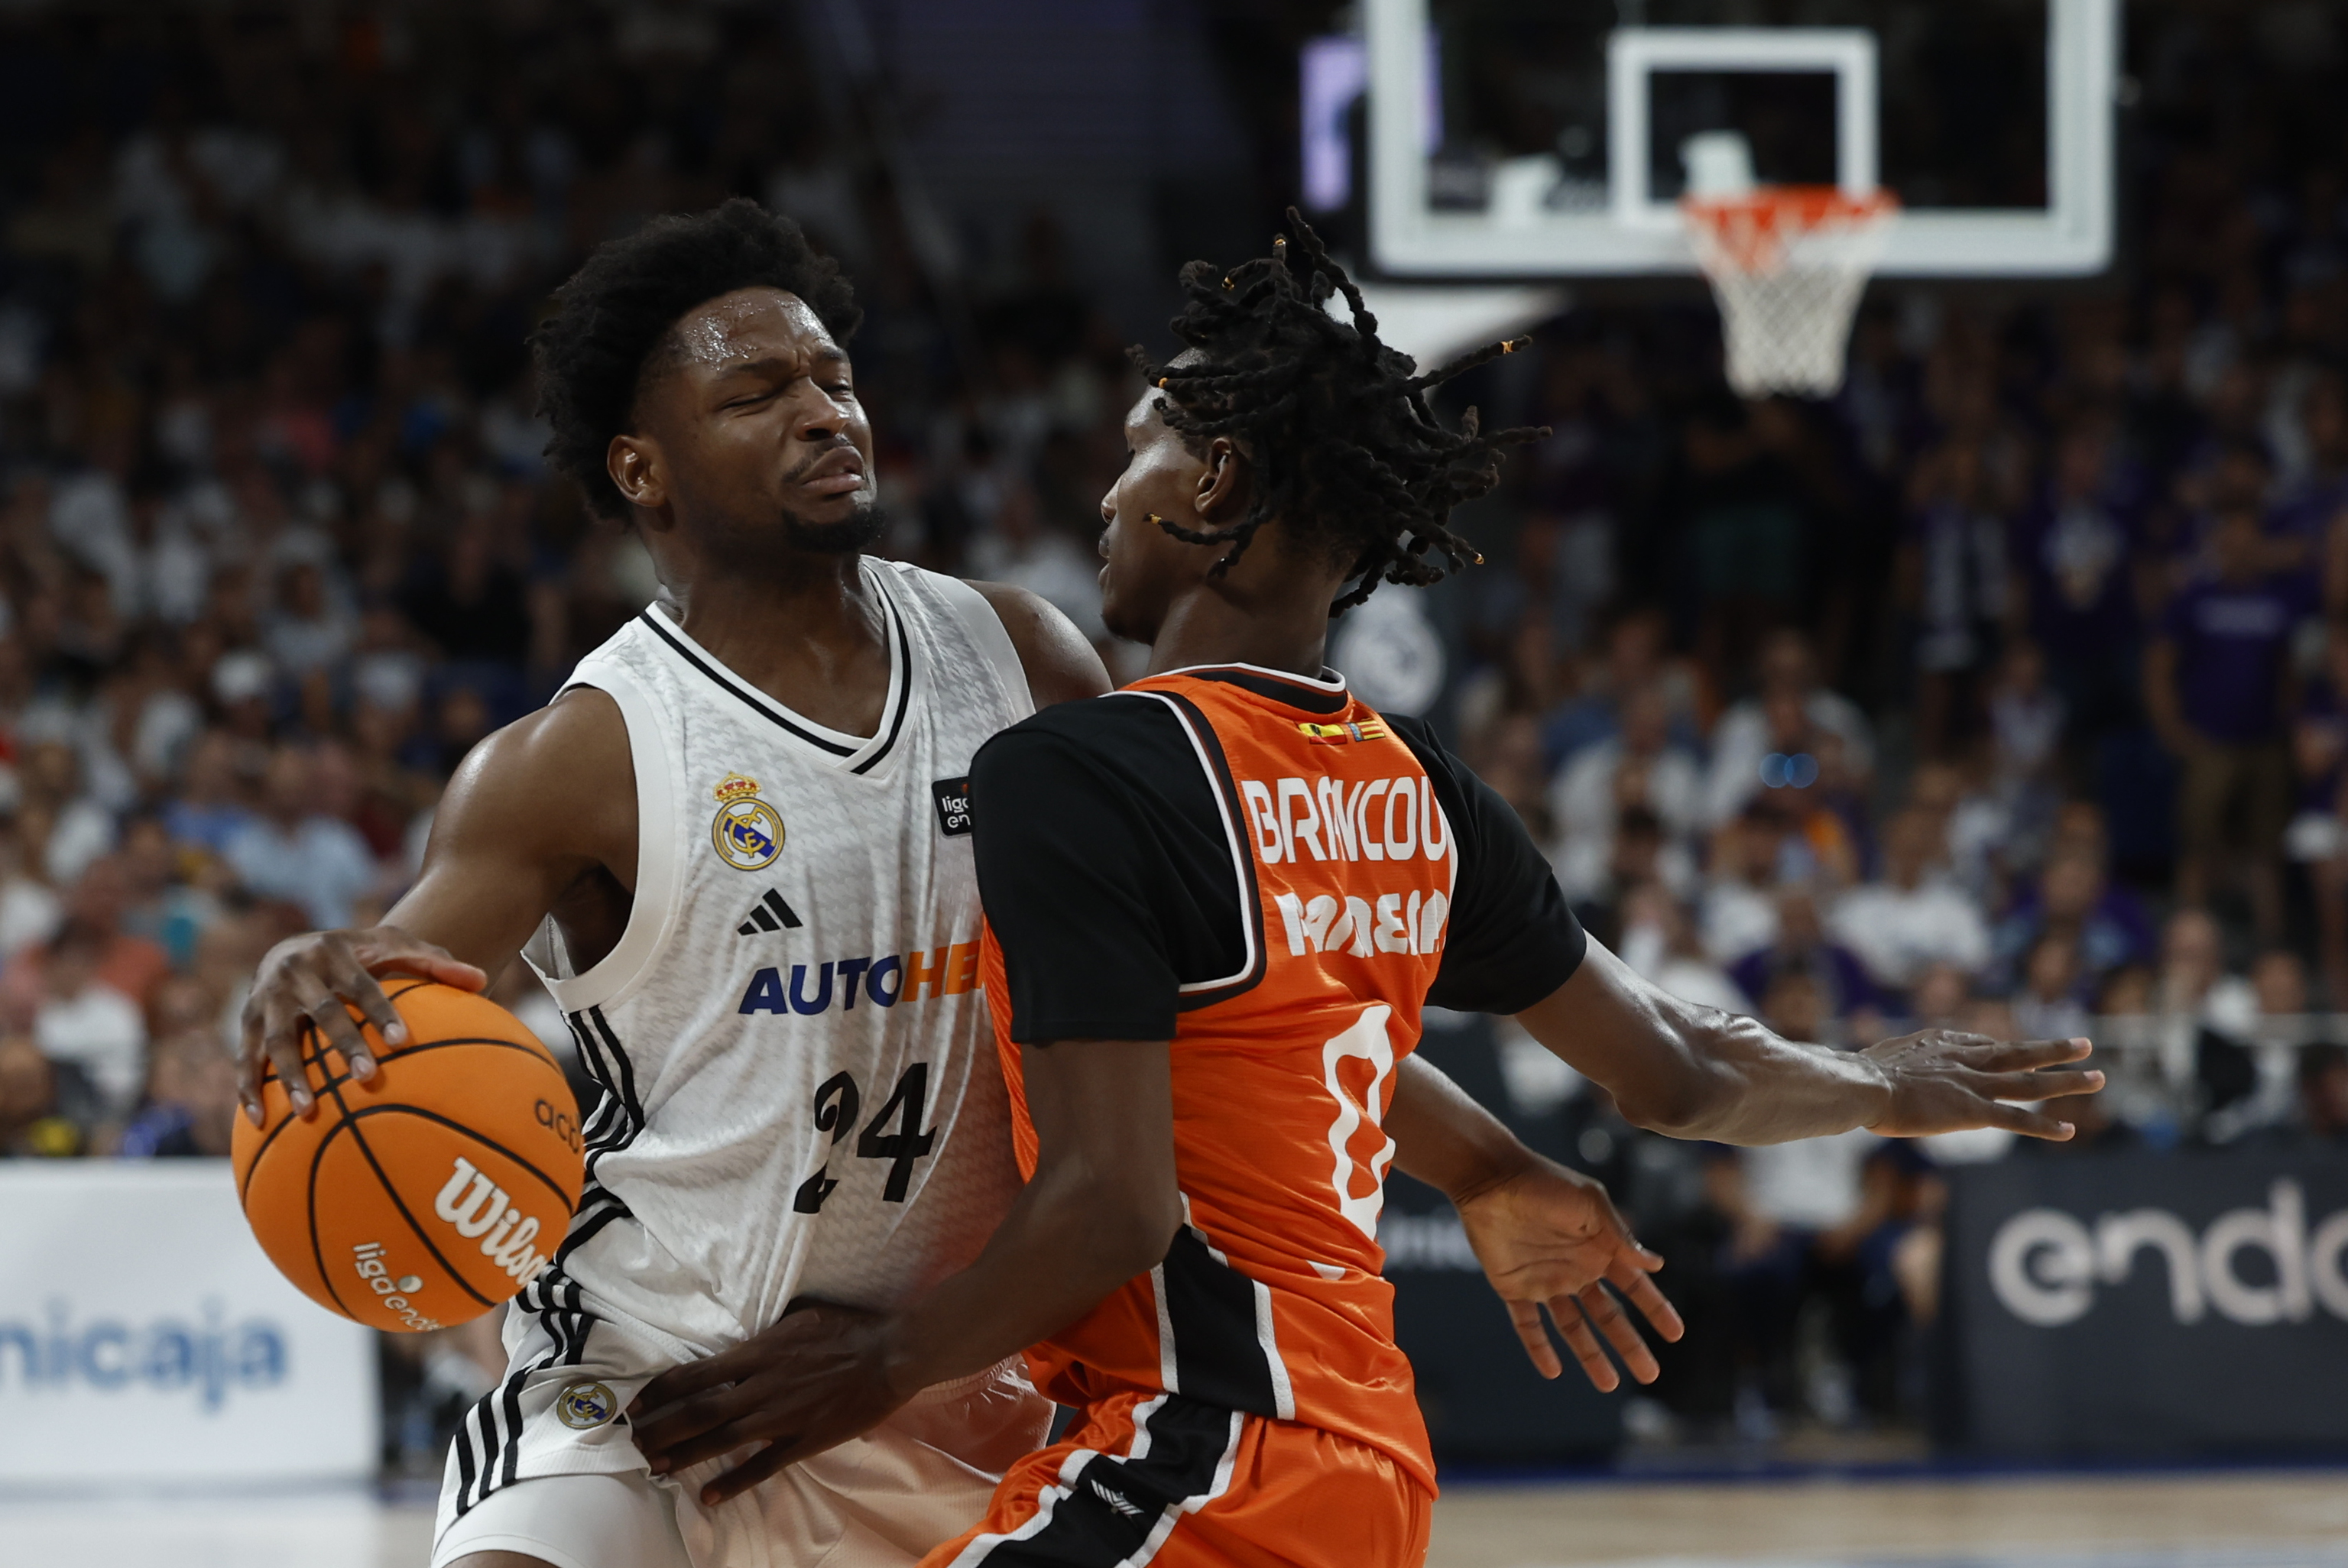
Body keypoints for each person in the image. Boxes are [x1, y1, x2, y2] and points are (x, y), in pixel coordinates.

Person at [630, 216, 2103, 1567]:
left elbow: (1112, 1207)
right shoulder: (1416, 785)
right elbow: (1680, 1069)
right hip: (1367, 1463)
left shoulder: (1080, 771)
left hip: (1205, 1449)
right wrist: (1878, 1081)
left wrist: (874, 1368)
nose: (1108, 492)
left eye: (1138, 453)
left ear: (1215, 485)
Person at [231, 201, 1112, 1568]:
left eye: (833, 379)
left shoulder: (1023, 658)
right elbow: (381, 993)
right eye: (756, 394)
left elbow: (1193, 990)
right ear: (642, 468)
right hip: (657, 1384)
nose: (823, 414)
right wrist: (301, 971)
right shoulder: (574, 760)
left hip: (962, 1384)